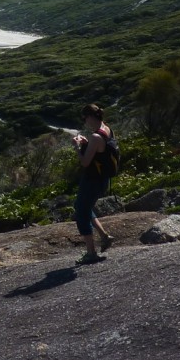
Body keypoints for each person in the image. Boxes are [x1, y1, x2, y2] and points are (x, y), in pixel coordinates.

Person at [72, 102, 116, 264]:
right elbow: (99, 151)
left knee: (81, 213)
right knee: (84, 207)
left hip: (93, 180)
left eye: (85, 119)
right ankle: (104, 236)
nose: (85, 122)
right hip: (102, 179)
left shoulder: (96, 137)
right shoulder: (107, 129)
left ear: (90, 117)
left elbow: (85, 162)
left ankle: (91, 253)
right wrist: (86, 144)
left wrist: (77, 147)